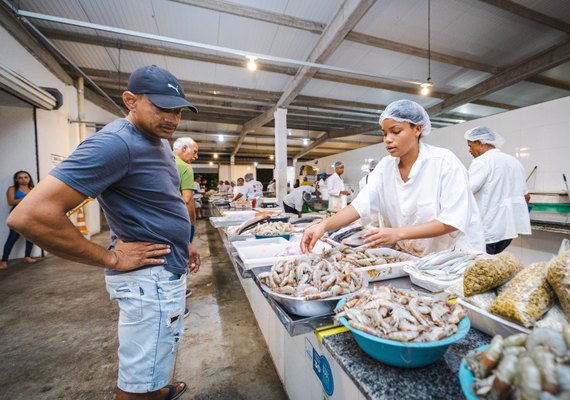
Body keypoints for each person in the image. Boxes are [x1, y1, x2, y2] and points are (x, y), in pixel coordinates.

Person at [7, 65, 201, 400]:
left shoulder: (155, 142)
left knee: (152, 360)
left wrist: (184, 242)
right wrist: (109, 257)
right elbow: (32, 215)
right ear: (130, 100)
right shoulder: (115, 143)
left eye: (177, 110)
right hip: (148, 282)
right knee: (136, 382)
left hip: (164, 271)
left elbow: (160, 203)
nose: (171, 118)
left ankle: (155, 390)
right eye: (161, 107)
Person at [301, 99, 485, 257]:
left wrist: (398, 233)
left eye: (395, 131)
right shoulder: (385, 167)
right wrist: (323, 226)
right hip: (413, 257)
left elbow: (452, 221)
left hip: (452, 257)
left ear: (417, 129)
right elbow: (360, 206)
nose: (388, 139)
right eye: (384, 133)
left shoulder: (443, 162)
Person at [465, 126, 531, 254]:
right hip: (507, 231)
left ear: (480, 143)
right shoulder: (514, 162)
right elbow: (526, 197)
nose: (469, 150)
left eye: (470, 145)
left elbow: (465, 192)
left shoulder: (482, 161)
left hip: (487, 230)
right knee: (493, 266)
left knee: (480, 270)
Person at [172, 137, 199, 300]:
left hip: (162, 223)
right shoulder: (185, 167)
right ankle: (178, 297)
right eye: (194, 151)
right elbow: (187, 200)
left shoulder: (164, 162)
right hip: (179, 221)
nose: (195, 156)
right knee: (183, 257)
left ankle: (176, 292)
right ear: (183, 148)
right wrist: (190, 225)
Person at [1, 171, 38, 269]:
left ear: (29, 178)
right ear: (16, 179)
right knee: (13, 237)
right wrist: (27, 197)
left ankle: (27, 256)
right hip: (16, 214)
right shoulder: (12, 189)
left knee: (30, 237)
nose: (23, 179)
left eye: (26, 177)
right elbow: (11, 202)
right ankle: (4, 261)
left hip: (30, 215)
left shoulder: (33, 189)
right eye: (20, 177)